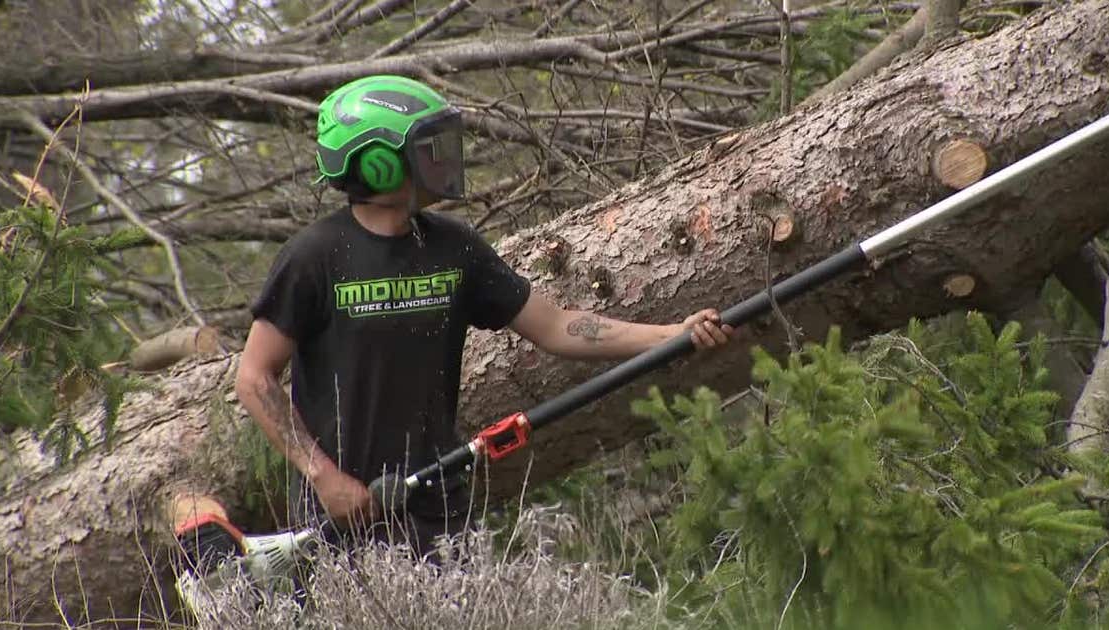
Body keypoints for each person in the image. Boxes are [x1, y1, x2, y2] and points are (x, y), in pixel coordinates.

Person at [174, 75, 734, 591]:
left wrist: (669, 335)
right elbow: (254, 378)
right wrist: (324, 478)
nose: (443, 160)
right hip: (343, 517)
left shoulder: (454, 248)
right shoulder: (315, 258)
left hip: (438, 507)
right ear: (376, 165)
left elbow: (559, 326)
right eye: (427, 148)